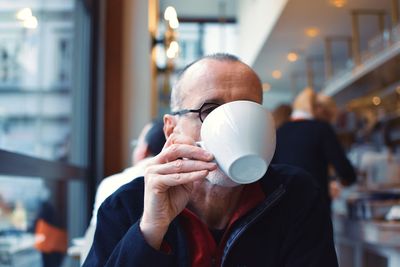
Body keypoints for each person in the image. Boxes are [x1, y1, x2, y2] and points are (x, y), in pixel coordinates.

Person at [83, 53, 338, 266]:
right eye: (210, 110)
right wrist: (151, 228)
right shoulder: (125, 206)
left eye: (246, 112)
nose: (234, 127)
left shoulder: (295, 196)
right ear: (172, 129)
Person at [80, 119, 165, 263]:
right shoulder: (185, 186)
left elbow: (94, 240)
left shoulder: (111, 184)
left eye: (136, 144)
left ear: (143, 150)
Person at [272, 88, 356, 210]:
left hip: (285, 207)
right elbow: (344, 170)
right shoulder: (321, 129)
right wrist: (341, 182)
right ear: (320, 110)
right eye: (328, 116)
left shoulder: (279, 131)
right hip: (315, 206)